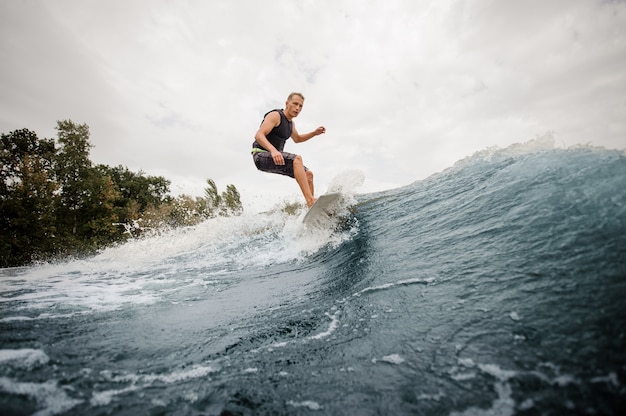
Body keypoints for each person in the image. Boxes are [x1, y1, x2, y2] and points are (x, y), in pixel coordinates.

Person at [251, 92, 326, 208]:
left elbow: (298, 138)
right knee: (297, 159)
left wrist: (314, 133)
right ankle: (310, 200)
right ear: (287, 104)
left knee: (308, 174)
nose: (298, 108)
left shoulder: (291, 124)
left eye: (301, 106)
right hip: (260, 155)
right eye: (295, 104)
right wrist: (273, 150)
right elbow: (259, 135)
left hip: (276, 157)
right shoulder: (275, 115)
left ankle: (310, 207)